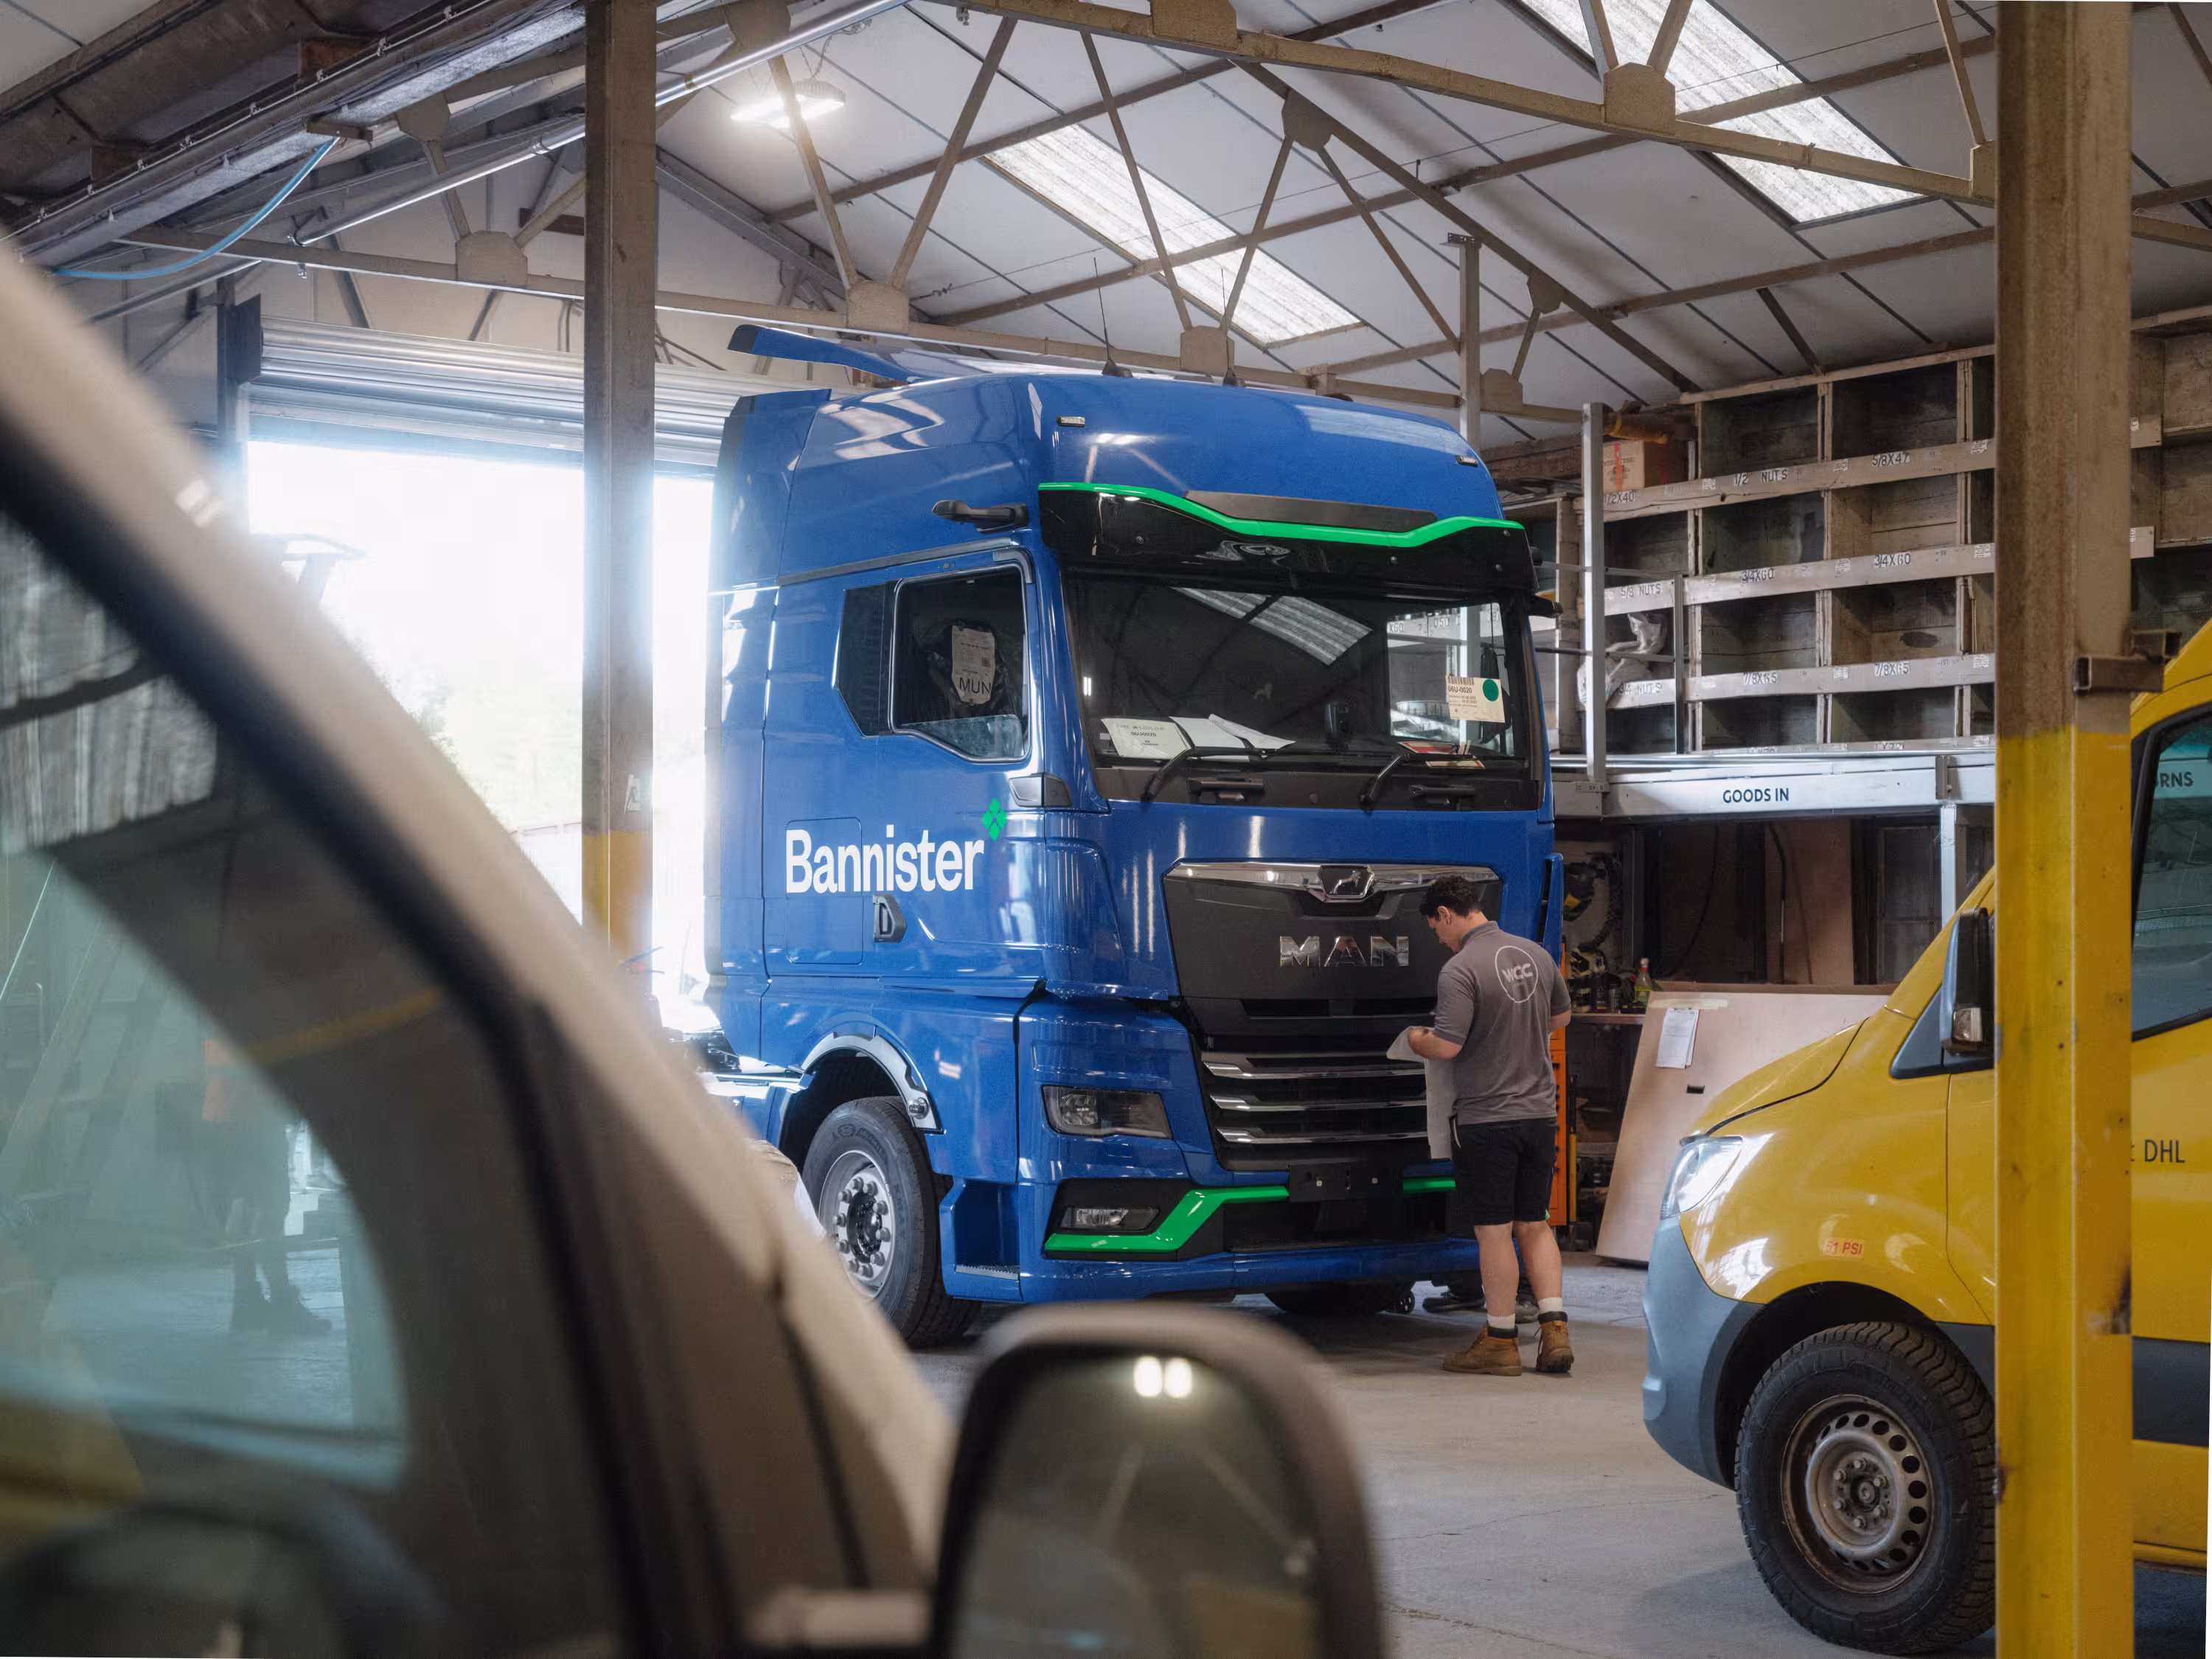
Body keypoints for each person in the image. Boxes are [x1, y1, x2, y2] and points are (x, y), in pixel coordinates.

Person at [1404, 875, 1572, 1377]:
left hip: (1488, 1119)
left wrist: (1416, 1039)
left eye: (1435, 926)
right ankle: (1555, 1332)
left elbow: (1448, 1046)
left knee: (1495, 1232)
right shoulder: (1537, 955)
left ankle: (1500, 1340)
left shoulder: (1460, 969)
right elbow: (1561, 1019)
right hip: (1540, 1115)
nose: (1438, 936)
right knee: (1535, 1224)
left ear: (1445, 914)